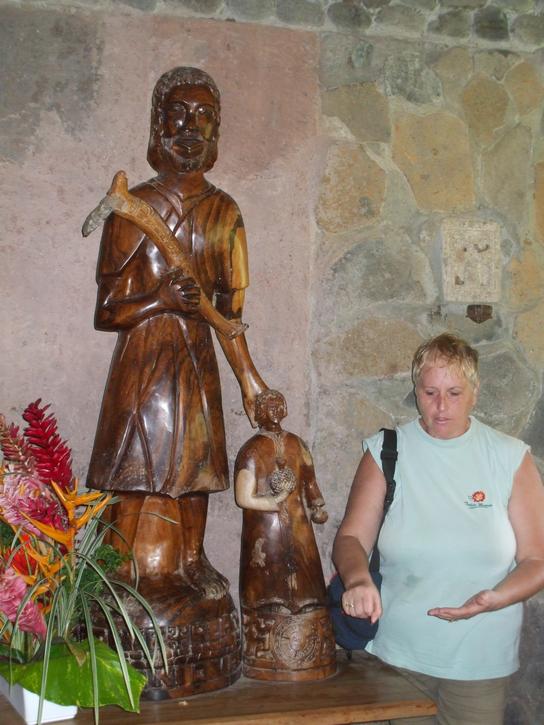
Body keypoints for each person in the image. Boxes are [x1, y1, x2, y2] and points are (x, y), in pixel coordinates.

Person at [87, 66, 267, 598]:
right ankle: (116, 569)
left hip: (195, 358)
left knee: (196, 464)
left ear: (216, 131)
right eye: (178, 114)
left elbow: (229, 317)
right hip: (142, 361)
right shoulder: (132, 210)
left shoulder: (225, 213)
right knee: (131, 465)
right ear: (157, 124)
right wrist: (158, 300)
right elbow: (106, 311)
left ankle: (192, 559)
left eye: (204, 116)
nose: (191, 127)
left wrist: (250, 382)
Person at [332, 333, 544, 724]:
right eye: (430, 393)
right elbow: (351, 538)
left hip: (481, 658)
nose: (441, 407)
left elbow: (536, 560)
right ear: (416, 390)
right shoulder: (386, 451)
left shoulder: (510, 457)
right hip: (399, 655)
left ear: (475, 393)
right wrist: (358, 579)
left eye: (454, 393)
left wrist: (494, 599)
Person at [234, 389, 336, 680]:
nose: (275, 411)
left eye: (279, 405)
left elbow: (310, 481)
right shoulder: (251, 451)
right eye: (268, 406)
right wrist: (271, 502)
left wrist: (317, 505)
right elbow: (243, 497)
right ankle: (264, 648)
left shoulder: (296, 444)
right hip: (264, 530)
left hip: (299, 523)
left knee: (307, 578)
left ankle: (312, 643)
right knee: (265, 582)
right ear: (258, 413)